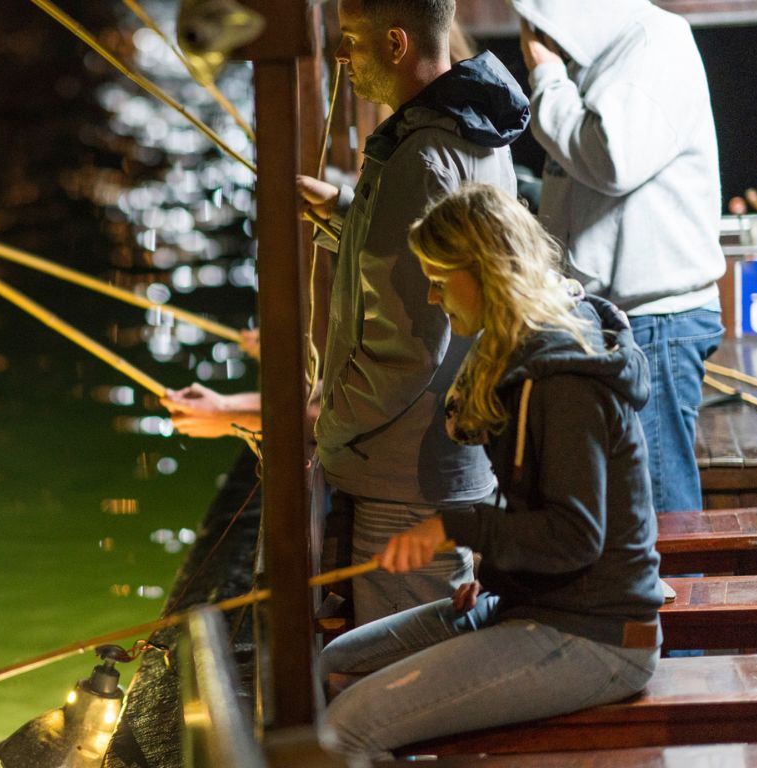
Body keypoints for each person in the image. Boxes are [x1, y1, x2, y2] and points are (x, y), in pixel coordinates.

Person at [167, 0, 529, 625]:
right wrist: (345, 211)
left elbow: (407, 346)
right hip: (448, 454)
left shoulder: (420, 159)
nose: (341, 56)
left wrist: (324, 426)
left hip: (405, 473)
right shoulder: (475, 131)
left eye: (352, 40)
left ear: (395, 44)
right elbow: (429, 258)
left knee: (409, 671)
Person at [318, 183, 664, 758]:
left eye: (437, 279)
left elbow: (576, 536)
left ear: (485, 272)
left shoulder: (561, 379)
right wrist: (503, 571)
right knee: (336, 661)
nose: (431, 298)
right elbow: (542, 512)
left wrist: (454, 527)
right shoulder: (521, 352)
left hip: (598, 636)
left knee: (346, 726)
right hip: (533, 603)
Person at [512, 0, 726, 513]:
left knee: (655, 514)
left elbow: (612, 158)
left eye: (535, 18)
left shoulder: (655, 42)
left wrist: (547, 79)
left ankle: (680, 595)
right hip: (619, 320)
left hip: (656, 323)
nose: (530, 35)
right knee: (630, 511)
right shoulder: (605, 55)